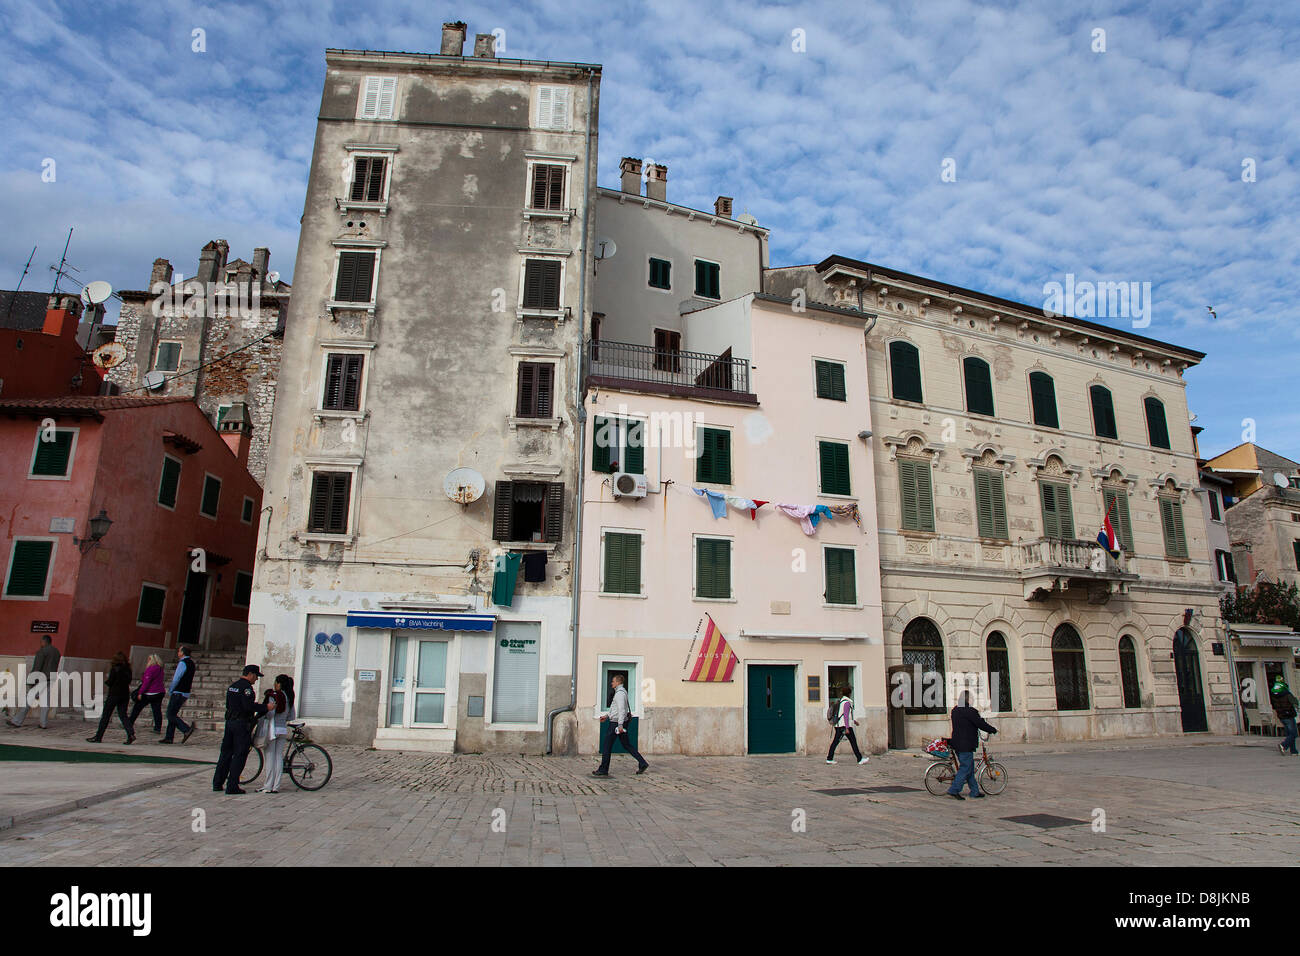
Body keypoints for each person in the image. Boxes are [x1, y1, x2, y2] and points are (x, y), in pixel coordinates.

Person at [212, 665, 270, 795]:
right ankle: (232, 785)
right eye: (256, 676)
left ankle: (217, 782)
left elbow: (228, 705)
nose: (256, 679)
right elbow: (248, 706)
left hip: (230, 722)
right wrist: (265, 707)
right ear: (250, 674)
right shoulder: (247, 689)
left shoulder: (233, 686)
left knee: (225, 754)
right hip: (241, 724)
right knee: (240, 754)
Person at [591, 674, 648, 776]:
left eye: (613, 681)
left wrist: (620, 724)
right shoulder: (621, 692)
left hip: (616, 723)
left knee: (607, 745)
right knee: (626, 745)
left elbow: (621, 710)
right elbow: (615, 709)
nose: (611, 683)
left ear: (618, 682)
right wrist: (607, 716)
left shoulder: (620, 694)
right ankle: (642, 762)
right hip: (618, 721)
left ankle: (603, 769)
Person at [947, 691, 997, 800]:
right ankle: (954, 790)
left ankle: (974, 791)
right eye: (972, 698)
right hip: (966, 743)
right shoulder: (970, 711)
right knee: (965, 768)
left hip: (957, 742)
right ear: (967, 699)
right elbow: (980, 724)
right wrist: (992, 729)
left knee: (969, 768)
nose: (973, 700)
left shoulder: (955, 710)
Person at [6, 635, 61, 729]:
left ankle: (17, 721)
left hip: (41, 679)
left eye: (41, 642)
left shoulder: (42, 651)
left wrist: (32, 681)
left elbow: (37, 667)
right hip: (51, 678)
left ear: (44, 642)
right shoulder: (56, 652)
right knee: (45, 701)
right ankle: (43, 723)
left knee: (28, 700)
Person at [257, 675, 296, 794]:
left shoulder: (274, 696)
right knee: (279, 757)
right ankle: (276, 786)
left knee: (270, 757)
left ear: (279, 684)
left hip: (272, 729)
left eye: (275, 682)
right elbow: (291, 716)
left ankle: (268, 785)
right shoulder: (290, 697)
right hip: (282, 730)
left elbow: (269, 713)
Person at [87, 652, 134, 744]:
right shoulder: (128, 669)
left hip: (114, 694)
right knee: (123, 715)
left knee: (106, 716)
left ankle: (99, 736)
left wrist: (107, 679)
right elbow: (128, 681)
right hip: (124, 694)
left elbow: (110, 682)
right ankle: (130, 733)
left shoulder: (115, 669)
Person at [159, 646, 198, 744]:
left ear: (183, 653)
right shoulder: (191, 663)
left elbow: (177, 678)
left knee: (170, 714)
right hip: (185, 692)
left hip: (179, 691)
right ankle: (169, 736)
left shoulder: (182, 663)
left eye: (179, 651)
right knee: (173, 713)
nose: (178, 652)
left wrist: (171, 689)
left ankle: (186, 729)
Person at [825, 684, 869, 765]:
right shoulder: (847, 703)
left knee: (835, 742)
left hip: (839, 725)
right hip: (844, 726)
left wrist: (853, 721)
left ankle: (829, 758)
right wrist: (847, 728)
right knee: (853, 742)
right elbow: (845, 715)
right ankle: (859, 759)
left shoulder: (842, 701)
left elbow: (845, 715)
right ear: (849, 693)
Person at [128, 654, 166, 736]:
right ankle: (157, 728)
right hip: (159, 692)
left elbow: (146, 682)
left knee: (137, 707)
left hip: (150, 692)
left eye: (149, 659)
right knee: (156, 710)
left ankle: (129, 723)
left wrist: (140, 692)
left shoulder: (151, 669)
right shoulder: (160, 669)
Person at [1269, 675, 1298, 756]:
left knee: (1289, 734)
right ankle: (1283, 745)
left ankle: (1294, 751)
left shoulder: (1273, 693)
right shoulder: (1286, 693)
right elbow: (1294, 701)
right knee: (1294, 734)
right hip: (1289, 714)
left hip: (1281, 715)